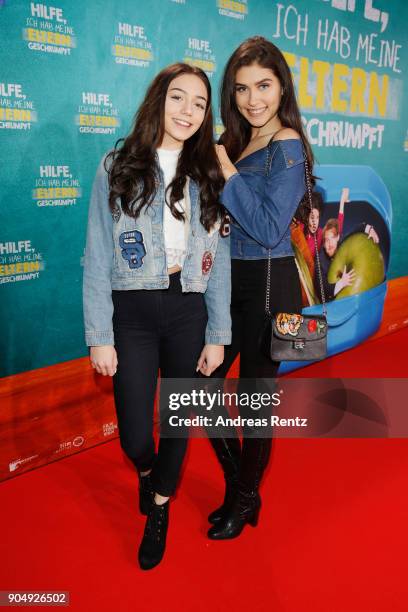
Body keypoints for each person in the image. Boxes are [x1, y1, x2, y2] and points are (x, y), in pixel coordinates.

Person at [83, 63, 231, 569]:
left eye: (198, 103)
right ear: (158, 100)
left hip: (189, 308)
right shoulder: (117, 165)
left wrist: (218, 333)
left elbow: (221, 263)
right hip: (134, 313)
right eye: (177, 97)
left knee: (177, 418)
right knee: (133, 434)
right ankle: (147, 472)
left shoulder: (210, 173)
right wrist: (100, 335)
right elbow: (98, 254)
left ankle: (161, 506)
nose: (187, 111)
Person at [207, 36, 312, 540]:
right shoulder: (236, 139)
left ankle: (244, 498)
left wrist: (226, 170)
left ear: (281, 86)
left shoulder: (285, 143)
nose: (254, 100)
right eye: (243, 88)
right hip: (229, 281)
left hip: (271, 284)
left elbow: (270, 227)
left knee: (254, 400)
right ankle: (241, 487)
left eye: (264, 86)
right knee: (197, 385)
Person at [317, 217, 379, 302]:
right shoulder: (320, 261)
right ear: (323, 243)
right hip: (333, 302)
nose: (330, 243)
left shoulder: (342, 244)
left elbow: (357, 228)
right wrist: (342, 283)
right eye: (326, 240)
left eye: (333, 238)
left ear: (338, 237)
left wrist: (370, 229)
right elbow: (322, 289)